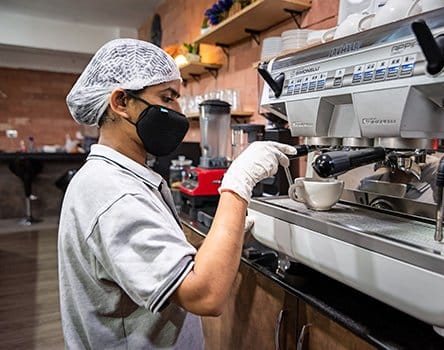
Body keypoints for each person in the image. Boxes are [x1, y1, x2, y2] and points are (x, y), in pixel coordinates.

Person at [58, 38, 296, 349]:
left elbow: (152, 259)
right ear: (121, 102)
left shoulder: (115, 176)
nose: (176, 111)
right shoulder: (116, 194)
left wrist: (226, 234)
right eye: (167, 98)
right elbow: (205, 295)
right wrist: (237, 183)